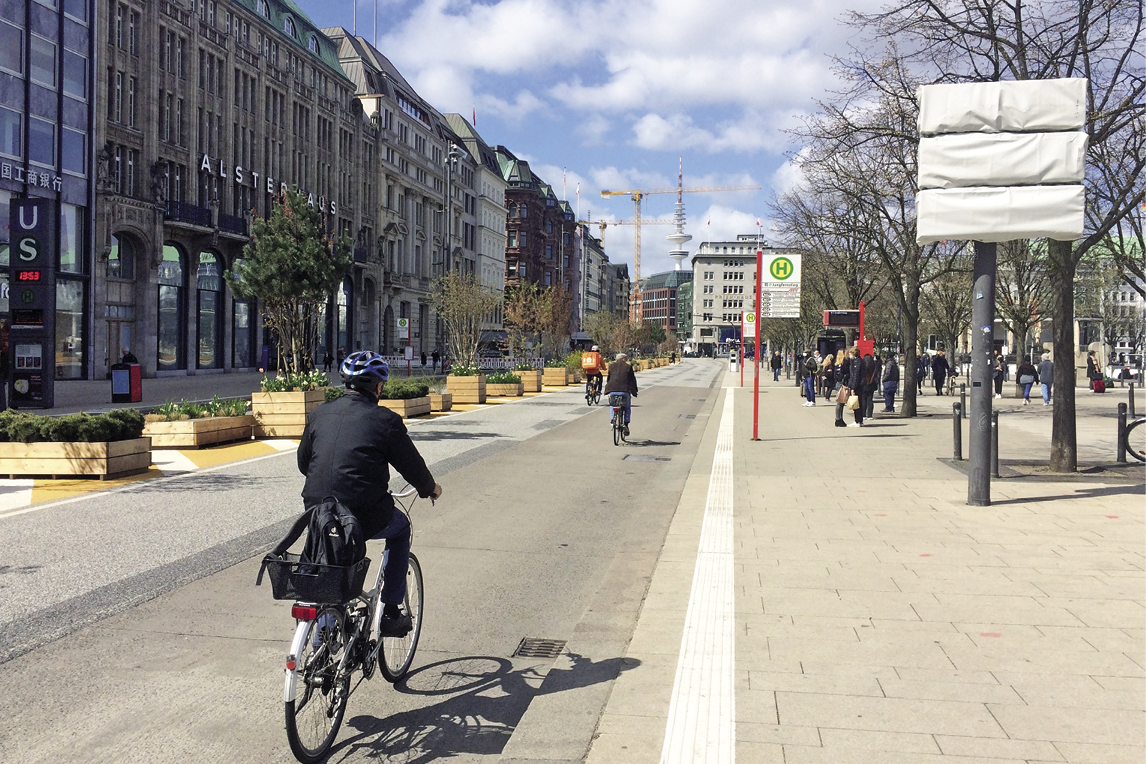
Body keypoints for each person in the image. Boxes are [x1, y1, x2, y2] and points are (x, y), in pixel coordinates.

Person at [297, 351, 443, 637]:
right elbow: (412, 466)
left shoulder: (319, 414)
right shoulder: (385, 420)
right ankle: (390, 611)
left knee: (330, 559)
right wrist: (430, 489)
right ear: (378, 388)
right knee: (400, 529)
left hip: (318, 512)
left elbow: (304, 464)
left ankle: (321, 644)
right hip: (363, 515)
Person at [604, 352, 638, 436]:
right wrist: (634, 391)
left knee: (613, 404)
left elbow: (609, 378)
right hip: (624, 391)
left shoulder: (611, 366)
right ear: (623, 359)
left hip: (612, 390)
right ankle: (625, 424)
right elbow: (632, 380)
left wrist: (608, 389)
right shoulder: (628, 367)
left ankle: (612, 420)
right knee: (627, 407)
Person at [835, 348, 855, 428]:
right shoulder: (846, 362)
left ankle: (838, 418)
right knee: (841, 402)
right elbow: (848, 373)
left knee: (840, 401)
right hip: (844, 384)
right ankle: (839, 419)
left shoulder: (837, 363)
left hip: (838, 383)